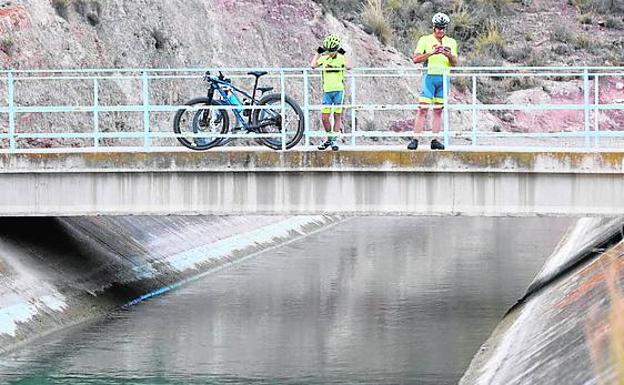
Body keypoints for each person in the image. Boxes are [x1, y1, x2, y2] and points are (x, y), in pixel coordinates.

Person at [407, 12, 459, 151]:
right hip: (429, 77)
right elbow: (416, 59)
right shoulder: (425, 40)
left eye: (443, 28)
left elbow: (455, 63)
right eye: (438, 27)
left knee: (438, 110)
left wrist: (447, 54)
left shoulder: (451, 42)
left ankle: (434, 139)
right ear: (433, 27)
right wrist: (432, 52)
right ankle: (415, 139)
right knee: (423, 108)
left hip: (443, 78)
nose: (440, 30)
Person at [310, 34, 352, 151]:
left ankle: (333, 140)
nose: (331, 52)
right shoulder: (325, 57)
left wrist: (344, 53)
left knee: (337, 116)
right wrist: (318, 53)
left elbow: (349, 67)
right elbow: (313, 65)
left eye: (333, 50)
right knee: (324, 118)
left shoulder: (340, 58)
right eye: (329, 50)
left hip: (338, 90)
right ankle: (329, 138)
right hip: (327, 91)